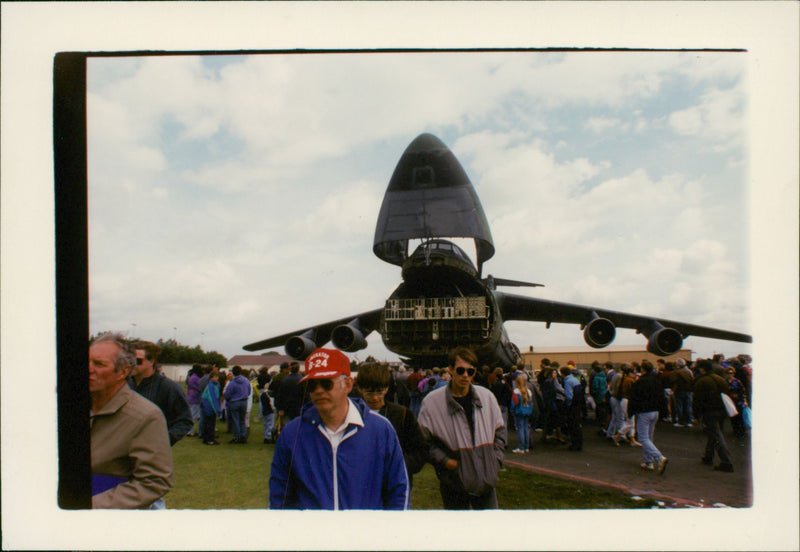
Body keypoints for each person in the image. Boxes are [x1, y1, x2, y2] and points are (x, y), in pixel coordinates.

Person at [269, 348, 409, 510]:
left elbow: (399, 489)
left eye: (327, 383)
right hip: (311, 533)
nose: (319, 390)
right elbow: (280, 495)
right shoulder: (292, 433)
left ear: (348, 385)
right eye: (312, 385)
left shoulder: (381, 428)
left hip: (366, 533)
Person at [89, 333, 173, 509]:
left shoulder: (146, 416)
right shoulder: (66, 406)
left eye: (99, 364)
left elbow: (154, 482)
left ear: (123, 372)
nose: (88, 369)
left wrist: (90, 505)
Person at [417, 346, 505, 510]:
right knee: (457, 532)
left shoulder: (486, 397)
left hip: (486, 481)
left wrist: (495, 460)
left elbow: (500, 431)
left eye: (470, 372)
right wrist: (445, 461)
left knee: (490, 531)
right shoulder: (432, 403)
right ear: (450, 370)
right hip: (453, 484)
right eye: (461, 370)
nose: (465, 375)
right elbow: (423, 441)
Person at [355, 362, 428, 490]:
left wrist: (398, 465)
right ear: (360, 388)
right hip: (361, 483)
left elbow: (420, 450)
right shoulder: (352, 415)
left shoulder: (402, 414)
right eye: (369, 392)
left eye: (379, 391)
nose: (375, 397)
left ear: (387, 388)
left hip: (395, 484)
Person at [130, 340, 193, 446]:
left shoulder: (168, 388)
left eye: (137, 360)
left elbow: (185, 420)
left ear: (151, 361)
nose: (131, 364)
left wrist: (162, 441)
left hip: (151, 453)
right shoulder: (123, 385)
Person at [693, 359, 735, 472]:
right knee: (714, 434)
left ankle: (726, 462)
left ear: (702, 369)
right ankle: (708, 456)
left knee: (716, 436)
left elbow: (697, 400)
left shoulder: (702, 381)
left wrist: (696, 416)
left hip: (709, 411)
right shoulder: (721, 379)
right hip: (721, 411)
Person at [628, 360, 668, 475]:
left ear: (643, 370)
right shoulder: (656, 381)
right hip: (655, 411)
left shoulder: (640, 382)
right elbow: (662, 397)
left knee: (643, 438)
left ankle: (659, 457)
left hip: (643, 412)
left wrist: (630, 412)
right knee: (649, 437)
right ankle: (648, 461)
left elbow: (634, 398)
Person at [224, 365, 251, 444]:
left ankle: (236, 437)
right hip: (244, 401)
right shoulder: (246, 380)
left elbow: (228, 394)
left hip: (234, 402)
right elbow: (249, 391)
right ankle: (243, 436)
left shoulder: (232, 382)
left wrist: (229, 399)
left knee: (235, 420)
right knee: (242, 420)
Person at [561, 366, 584, 451]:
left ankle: (575, 444)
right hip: (578, 405)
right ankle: (579, 443)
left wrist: (567, 405)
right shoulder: (575, 380)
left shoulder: (567, 381)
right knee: (577, 425)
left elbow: (569, 396)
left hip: (572, 406)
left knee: (572, 425)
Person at [510, 373, 534, 453]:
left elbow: (514, 403)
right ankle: (526, 447)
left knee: (520, 429)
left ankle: (521, 447)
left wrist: (512, 410)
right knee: (526, 428)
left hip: (519, 411)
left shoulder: (516, 391)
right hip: (527, 410)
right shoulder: (528, 391)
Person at [724, 366, 749, 439]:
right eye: (728, 373)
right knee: (733, 417)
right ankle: (735, 431)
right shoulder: (724, 381)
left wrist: (745, 400)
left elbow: (743, 391)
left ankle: (742, 432)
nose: (730, 374)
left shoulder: (737, 381)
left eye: (731, 373)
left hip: (738, 401)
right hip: (730, 402)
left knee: (740, 417)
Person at [200, 371, 221, 445]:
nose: (217, 378)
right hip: (209, 408)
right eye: (215, 377)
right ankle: (210, 439)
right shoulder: (211, 386)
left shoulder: (213, 385)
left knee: (208, 423)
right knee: (210, 424)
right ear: (211, 378)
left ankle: (206, 438)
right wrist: (217, 410)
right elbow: (213, 399)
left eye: (217, 376)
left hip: (208, 407)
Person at [672, 358, 694, 428]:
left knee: (679, 406)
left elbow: (673, 381)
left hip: (679, 390)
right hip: (688, 390)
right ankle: (689, 421)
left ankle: (680, 421)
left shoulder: (677, 372)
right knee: (688, 406)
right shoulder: (689, 371)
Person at [185, 365, 203, 436]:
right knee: (194, 415)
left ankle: (190, 430)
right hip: (195, 398)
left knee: (193, 415)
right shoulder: (196, 378)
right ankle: (190, 431)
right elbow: (199, 387)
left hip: (190, 397)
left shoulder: (192, 377)